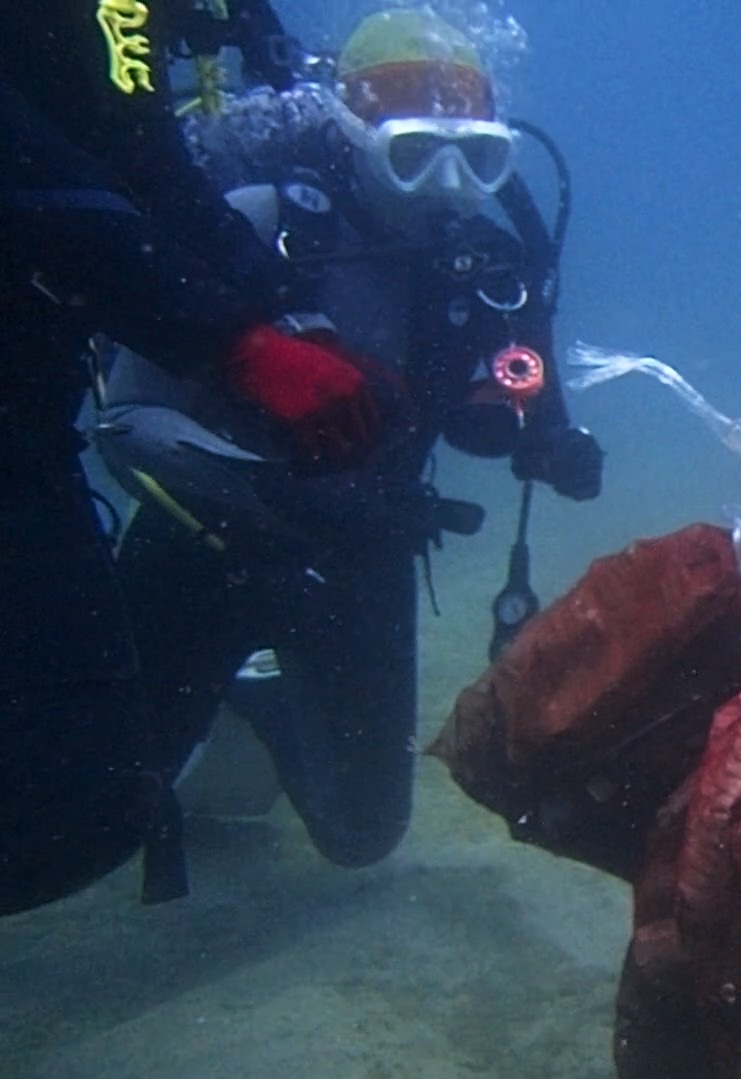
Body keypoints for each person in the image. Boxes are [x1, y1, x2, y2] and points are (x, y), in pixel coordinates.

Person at [92, 8, 604, 875]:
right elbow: (126, 420)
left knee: (363, 835)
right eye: (414, 148)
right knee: (94, 813)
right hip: (200, 547)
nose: (446, 181)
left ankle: (260, 695)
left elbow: (494, 404)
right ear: (349, 126)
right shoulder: (252, 225)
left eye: (473, 156)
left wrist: (546, 444)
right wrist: (286, 501)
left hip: (362, 559)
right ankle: (227, 687)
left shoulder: (489, 264)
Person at [1, 1, 382, 915]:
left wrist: (285, 315)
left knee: (88, 791)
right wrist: (236, 341)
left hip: (24, 413)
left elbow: (143, 163)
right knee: (75, 803)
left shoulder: (111, 17)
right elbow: (39, 180)